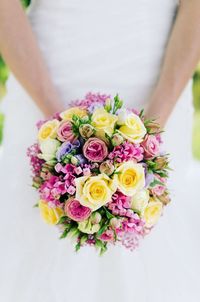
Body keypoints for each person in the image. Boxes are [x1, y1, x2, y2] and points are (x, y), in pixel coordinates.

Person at [0, 0, 200, 301]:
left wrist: (150, 131)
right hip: (44, 69)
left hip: (158, 77)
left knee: (156, 247)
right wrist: (60, 127)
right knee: (37, 235)